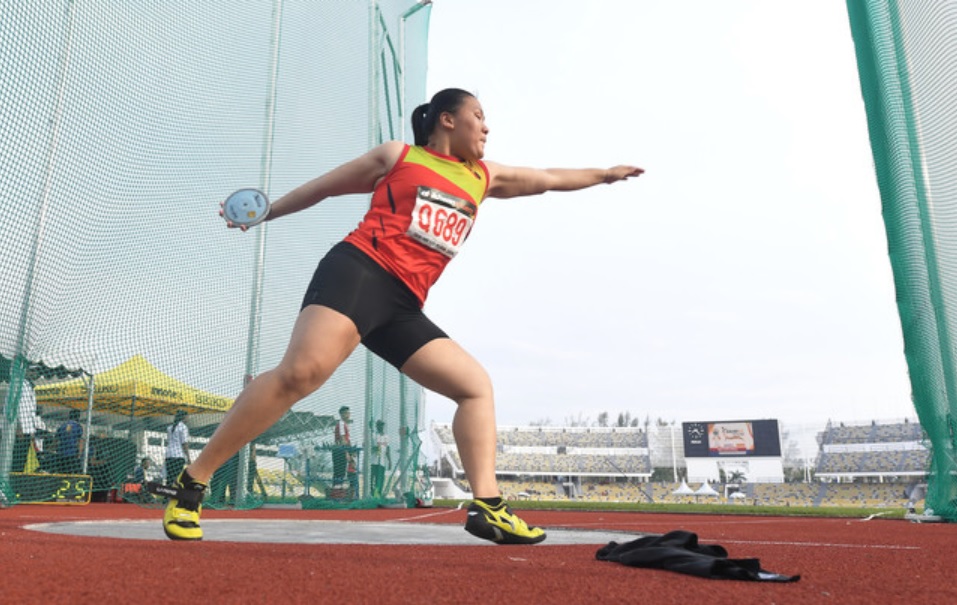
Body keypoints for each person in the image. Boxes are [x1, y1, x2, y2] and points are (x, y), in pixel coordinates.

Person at [160, 88, 643, 543]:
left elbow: (546, 179)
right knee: (301, 374)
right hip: (360, 272)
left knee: (475, 386)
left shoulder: (484, 176)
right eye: (479, 117)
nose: (487, 129)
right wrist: (268, 212)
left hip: (403, 304)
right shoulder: (399, 156)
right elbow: (324, 188)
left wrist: (603, 174)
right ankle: (192, 482)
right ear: (447, 120)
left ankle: (488, 506)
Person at [332, 406, 357, 496]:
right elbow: (343, 439)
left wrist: (351, 451)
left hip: (342, 450)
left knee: (341, 473)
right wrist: (346, 452)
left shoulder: (345, 425)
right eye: (346, 413)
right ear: (341, 414)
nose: (348, 415)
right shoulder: (341, 424)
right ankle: (336, 494)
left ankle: (338, 493)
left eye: (348, 413)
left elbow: (347, 439)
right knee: (339, 472)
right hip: (340, 451)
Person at [164, 410, 190, 486]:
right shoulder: (183, 427)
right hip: (178, 455)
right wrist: (188, 458)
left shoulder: (170, 427)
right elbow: (184, 443)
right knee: (178, 476)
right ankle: (175, 493)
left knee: (169, 476)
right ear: (184, 417)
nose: (188, 418)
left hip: (169, 454)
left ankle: (167, 494)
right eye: (188, 416)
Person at [54, 409, 83, 475]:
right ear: (78, 417)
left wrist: (53, 449)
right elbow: (80, 441)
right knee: (71, 473)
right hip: (72, 454)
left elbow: (56, 440)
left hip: (61, 453)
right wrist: (79, 454)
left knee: (61, 472)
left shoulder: (62, 426)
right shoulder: (78, 427)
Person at [371, 419, 392, 498]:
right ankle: (372, 494)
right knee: (373, 479)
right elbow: (368, 447)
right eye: (379, 425)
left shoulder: (386, 437)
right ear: (376, 426)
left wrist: (389, 460)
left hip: (382, 462)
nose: (381, 426)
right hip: (374, 461)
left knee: (380, 479)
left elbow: (387, 449)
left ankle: (378, 494)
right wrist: (374, 448)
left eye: (382, 425)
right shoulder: (374, 435)